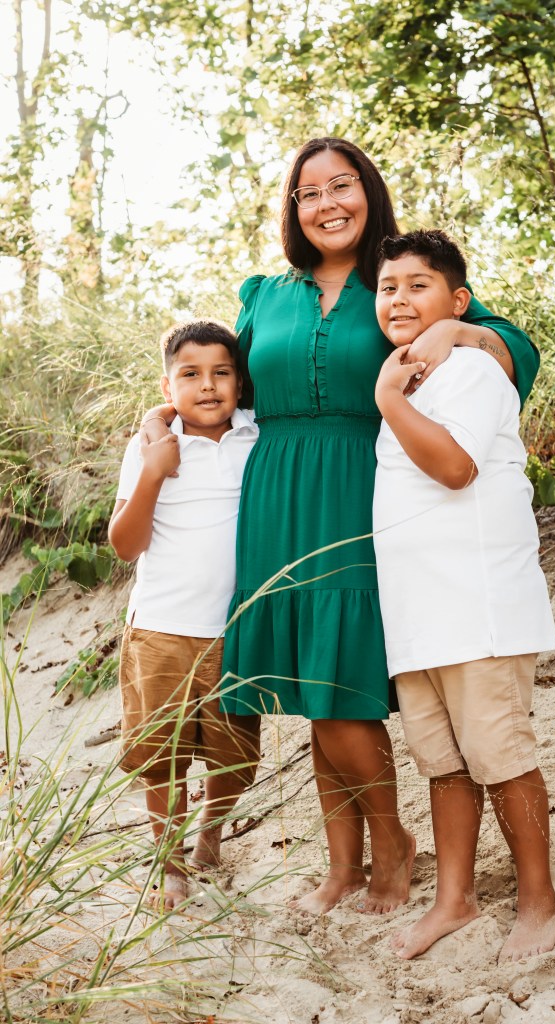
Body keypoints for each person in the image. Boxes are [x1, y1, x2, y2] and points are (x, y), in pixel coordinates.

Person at [142, 137, 541, 916]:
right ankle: (341, 864)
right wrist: (161, 413)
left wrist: (456, 333)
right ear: (292, 209)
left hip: (362, 491)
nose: (326, 204)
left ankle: (391, 847)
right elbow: (215, 378)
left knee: (341, 691)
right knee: (307, 691)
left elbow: (514, 349)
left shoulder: (397, 280)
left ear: (369, 192)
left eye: (341, 186)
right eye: (307, 193)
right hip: (274, 498)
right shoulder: (264, 291)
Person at [372, 229, 555, 962]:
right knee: (443, 764)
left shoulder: (475, 372)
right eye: (388, 287)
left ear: (458, 301)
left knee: (499, 754)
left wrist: (388, 397)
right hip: (418, 615)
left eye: (418, 285)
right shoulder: (412, 378)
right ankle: (453, 899)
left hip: (478, 608)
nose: (399, 298)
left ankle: (538, 898)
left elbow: (453, 468)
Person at [109, 320, 260, 909]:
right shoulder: (149, 446)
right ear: (168, 387)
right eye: (190, 375)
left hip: (236, 628)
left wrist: (156, 417)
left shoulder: (256, 434)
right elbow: (125, 544)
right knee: (161, 756)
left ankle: (210, 837)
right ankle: (168, 864)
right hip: (162, 628)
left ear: (242, 383)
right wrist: (153, 466)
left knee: (232, 752)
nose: (207, 386)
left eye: (222, 373)